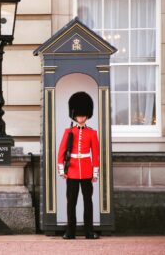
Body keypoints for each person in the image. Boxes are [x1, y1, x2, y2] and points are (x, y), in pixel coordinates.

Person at [58, 91, 100, 240]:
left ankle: (89, 231)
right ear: (74, 115)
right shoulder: (68, 131)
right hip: (73, 171)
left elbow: (95, 154)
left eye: (83, 115)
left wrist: (95, 173)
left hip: (87, 171)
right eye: (79, 115)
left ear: (87, 115)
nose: (81, 117)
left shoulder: (92, 133)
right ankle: (70, 231)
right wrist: (62, 170)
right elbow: (61, 152)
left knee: (88, 202)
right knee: (72, 203)